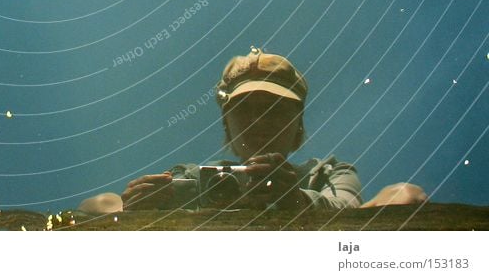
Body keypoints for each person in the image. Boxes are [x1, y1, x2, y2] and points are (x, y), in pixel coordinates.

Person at [79, 48, 427, 213]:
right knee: (105, 204)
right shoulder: (192, 178)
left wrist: (298, 198)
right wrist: (140, 205)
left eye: (275, 111)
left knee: (404, 194)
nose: (259, 121)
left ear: (298, 127)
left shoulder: (327, 173)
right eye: (245, 111)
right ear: (227, 125)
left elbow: (349, 209)